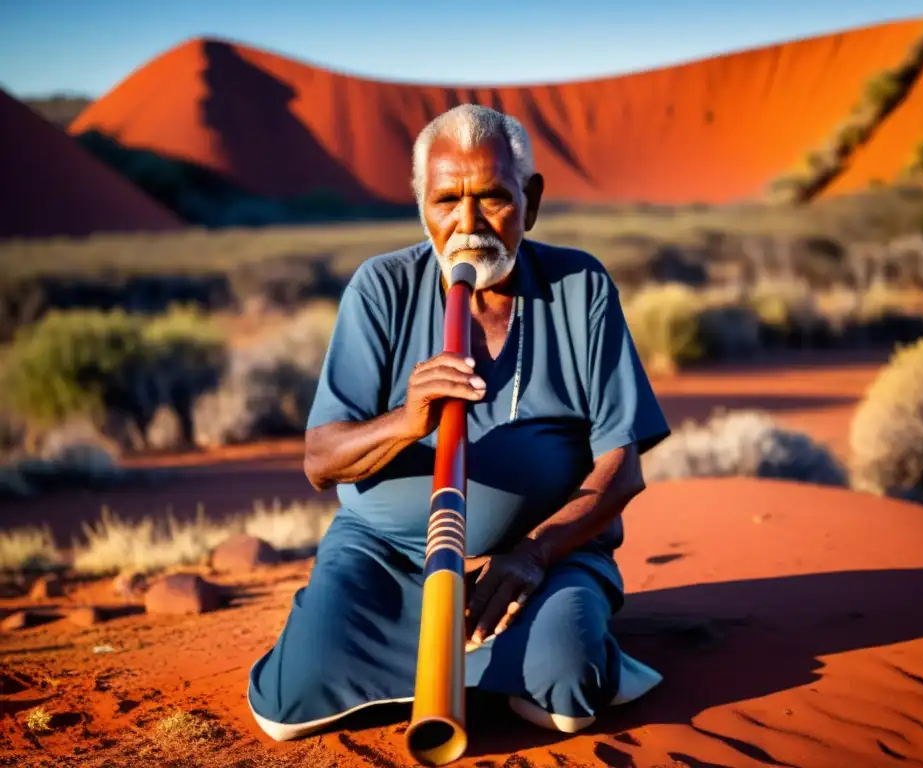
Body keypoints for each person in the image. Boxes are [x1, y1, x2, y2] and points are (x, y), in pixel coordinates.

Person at [246, 104, 671, 742]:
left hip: (542, 557)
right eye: (447, 201)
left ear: (531, 199)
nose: (468, 227)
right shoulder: (380, 286)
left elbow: (621, 468)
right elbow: (320, 461)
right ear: (421, 203)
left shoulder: (580, 285)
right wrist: (405, 420)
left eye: (493, 199)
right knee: (287, 706)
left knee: (567, 693)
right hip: (389, 559)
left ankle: (578, 645)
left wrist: (532, 553)